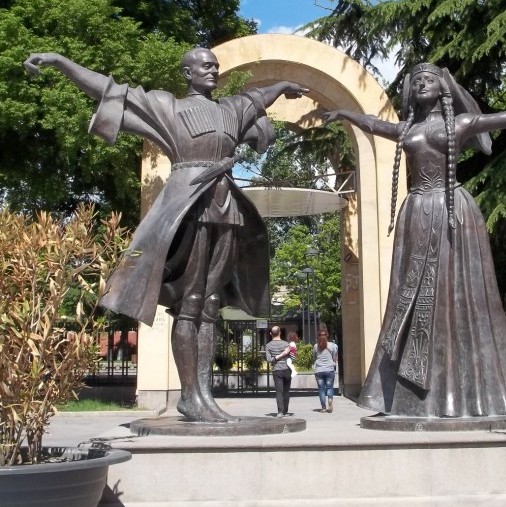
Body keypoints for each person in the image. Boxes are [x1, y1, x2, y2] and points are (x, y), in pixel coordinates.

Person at [24, 48, 308, 423]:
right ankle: (190, 395)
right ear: (187, 73)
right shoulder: (167, 107)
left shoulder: (230, 110)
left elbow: (259, 98)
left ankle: (203, 395)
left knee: (209, 305)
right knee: (190, 303)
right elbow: (109, 89)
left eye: (216, 66)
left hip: (226, 208)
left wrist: (284, 84)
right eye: (206, 66)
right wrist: (60, 61)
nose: (214, 71)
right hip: (187, 207)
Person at [323, 63, 506, 419]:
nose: (422, 84)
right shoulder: (406, 128)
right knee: (408, 297)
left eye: (430, 80)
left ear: (444, 89)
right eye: (417, 81)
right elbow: (372, 124)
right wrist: (343, 112)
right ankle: (402, 395)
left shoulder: (460, 124)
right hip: (416, 214)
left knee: (455, 295)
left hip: (451, 211)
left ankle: (468, 390)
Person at [265, 325, 293, 417]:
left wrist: (277, 357)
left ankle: (280, 412)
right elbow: (293, 358)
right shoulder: (286, 344)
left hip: (276, 370)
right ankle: (285, 410)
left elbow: (269, 360)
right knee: (286, 391)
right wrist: (284, 354)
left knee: (279, 391)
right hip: (286, 369)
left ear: (270, 334)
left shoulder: (268, 346)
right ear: (280, 333)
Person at [313, 328, 338, 413]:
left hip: (319, 370)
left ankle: (323, 407)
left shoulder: (316, 346)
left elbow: (314, 357)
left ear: (318, 336)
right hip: (329, 369)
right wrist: (333, 362)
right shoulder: (332, 345)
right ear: (327, 335)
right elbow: (335, 357)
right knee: (329, 387)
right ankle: (330, 399)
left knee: (321, 389)